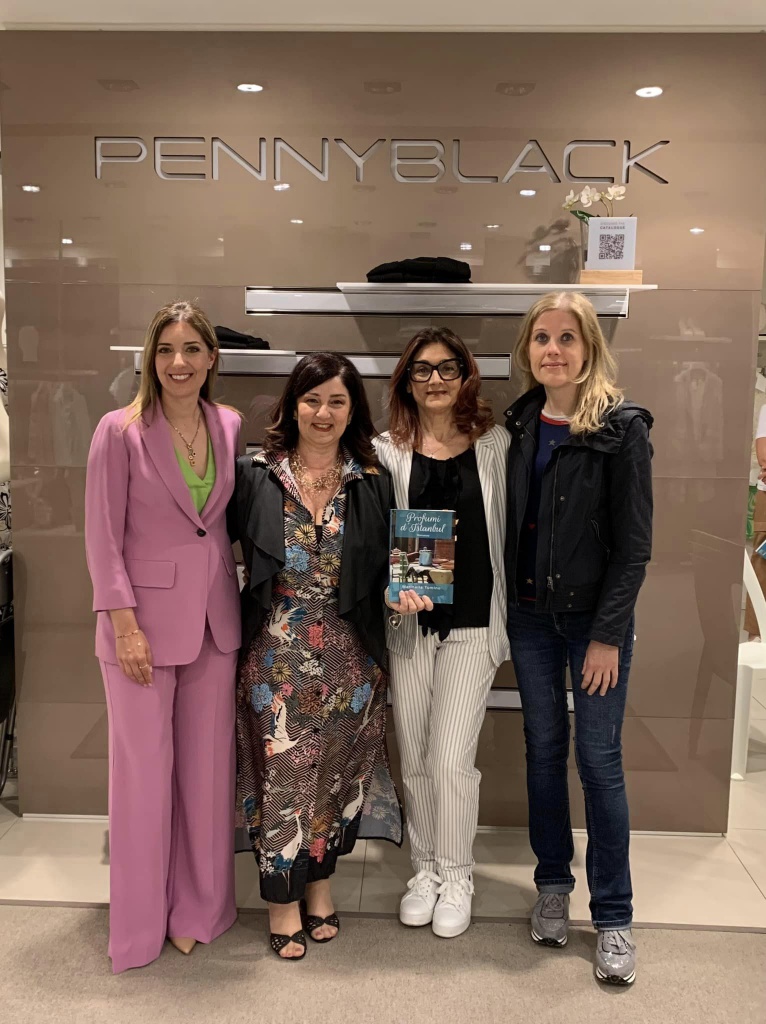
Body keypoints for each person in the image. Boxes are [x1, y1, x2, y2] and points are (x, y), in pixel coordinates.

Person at [231, 352, 425, 960]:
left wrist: (401, 593)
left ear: (352, 411)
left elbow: (394, 566)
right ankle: (280, 902)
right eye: (312, 399)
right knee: (284, 779)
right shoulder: (254, 475)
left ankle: (318, 885)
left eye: (336, 401)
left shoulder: (372, 481)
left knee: (337, 779)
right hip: (275, 658)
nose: (323, 412)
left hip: (350, 661)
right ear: (293, 406)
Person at [84, 300, 242, 974]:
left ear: (211, 358)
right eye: (166, 350)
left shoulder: (228, 424)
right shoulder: (118, 430)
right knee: (143, 782)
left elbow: (217, 526)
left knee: (207, 779)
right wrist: (124, 626)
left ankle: (199, 912)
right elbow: (102, 538)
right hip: (140, 630)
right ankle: (140, 924)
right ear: (150, 358)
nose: (179, 362)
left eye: (192, 349)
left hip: (214, 623)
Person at [504, 291, 653, 986]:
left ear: (590, 347)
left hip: (596, 628)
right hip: (531, 620)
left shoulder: (622, 428)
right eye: (542, 338)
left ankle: (615, 915)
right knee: (543, 755)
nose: (553, 350)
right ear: (527, 350)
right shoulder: (519, 423)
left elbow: (634, 548)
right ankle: (553, 886)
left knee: (599, 762)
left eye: (567, 337)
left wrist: (607, 636)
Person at [374, 327, 510, 939]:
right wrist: (386, 590)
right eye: (422, 369)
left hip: (475, 623)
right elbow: (369, 540)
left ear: (465, 374)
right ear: (407, 380)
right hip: (409, 624)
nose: (435, 379)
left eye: (447, 367)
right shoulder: (385, 452)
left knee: (450, 757)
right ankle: (424, 870)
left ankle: (457, 876)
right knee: (416, 756)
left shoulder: (497, 444)